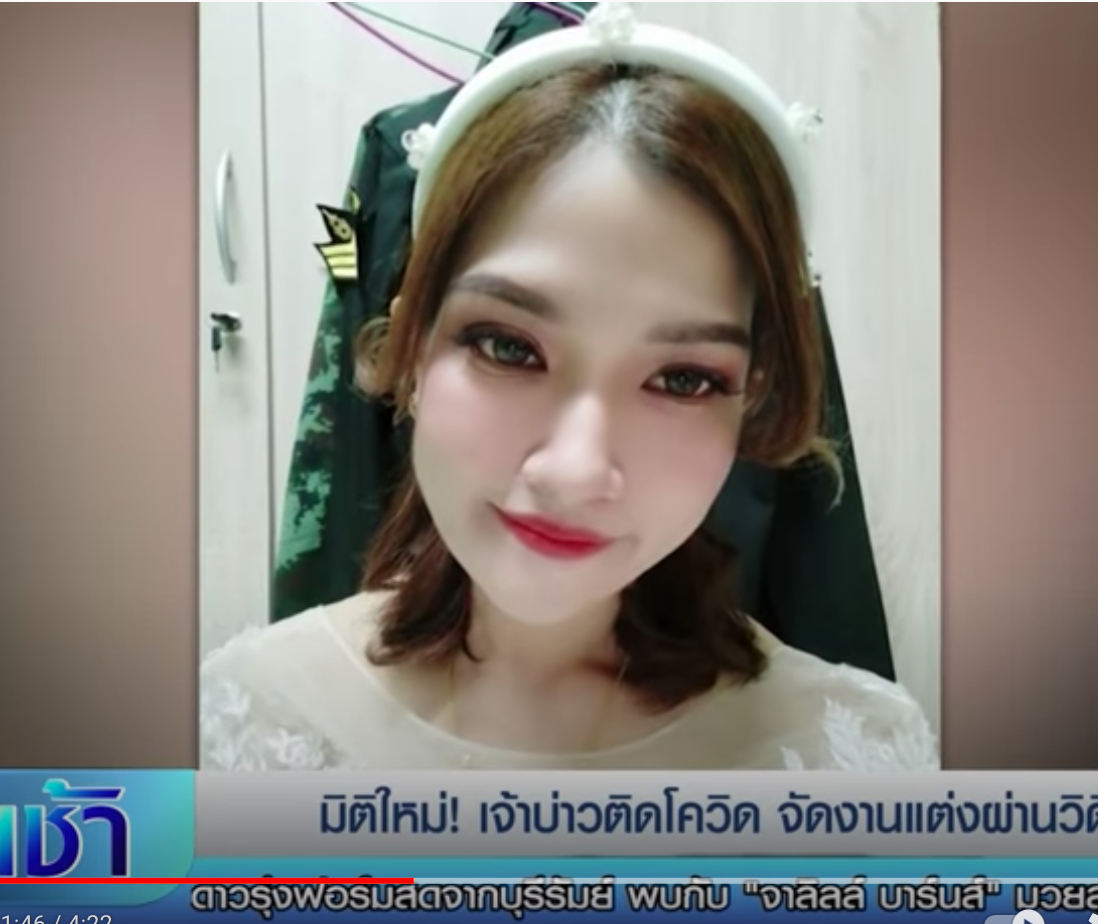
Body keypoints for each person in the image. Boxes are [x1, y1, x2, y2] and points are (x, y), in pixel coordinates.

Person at [200, 5, 939, 772]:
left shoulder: (850, 754)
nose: (575, 472)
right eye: (508, 347)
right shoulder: (246, 721)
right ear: (411, 347)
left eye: (683, 379)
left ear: (752, 399)